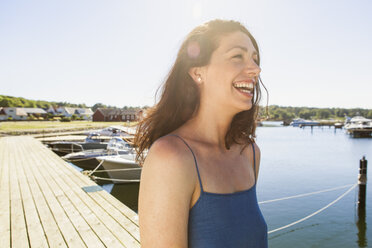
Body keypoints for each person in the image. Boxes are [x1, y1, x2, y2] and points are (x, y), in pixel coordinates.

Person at [134, 19, 268, 248]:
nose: (255, 69)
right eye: (238, 56)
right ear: (198, 73)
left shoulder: (250, 153)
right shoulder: (171, 157)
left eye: (255, 59)